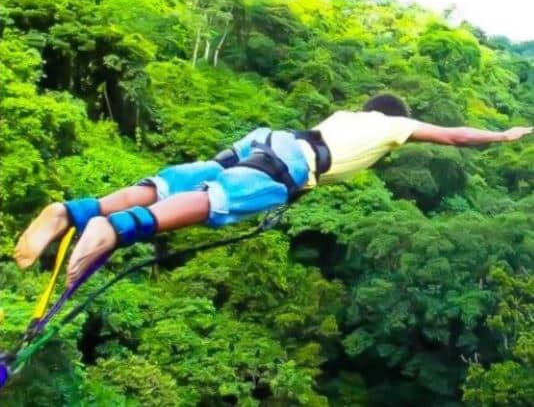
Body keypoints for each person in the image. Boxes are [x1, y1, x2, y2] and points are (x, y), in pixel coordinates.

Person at [14, 94, 532, 285]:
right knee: (220, 201)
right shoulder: (391, 125)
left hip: (268, 138)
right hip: (292, 161)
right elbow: (455, 136)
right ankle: (115, 230)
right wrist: (501, 135)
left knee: (171, 182)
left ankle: (74, 211)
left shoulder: (347, 115)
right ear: (396, 116)